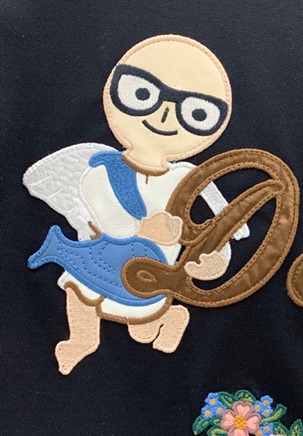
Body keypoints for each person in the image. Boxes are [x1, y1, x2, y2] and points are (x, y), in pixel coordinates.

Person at [24, 35, 248, 374]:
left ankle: (173, 317)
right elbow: (94, 209)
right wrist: (139, 228)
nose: (166, 115)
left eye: (195, 112)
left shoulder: (192, 178)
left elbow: (223, 228)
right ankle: (84, 339)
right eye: (144, 95)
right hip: (103, 254)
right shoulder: (100, 167)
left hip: (154, 270)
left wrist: (215, 262)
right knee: (77, 289)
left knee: (142, 328)